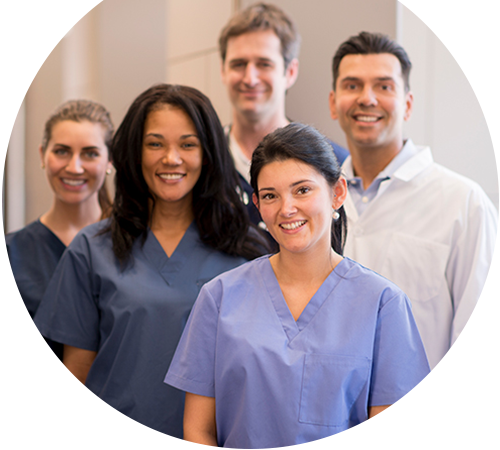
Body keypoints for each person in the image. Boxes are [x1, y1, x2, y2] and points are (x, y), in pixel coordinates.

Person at [165, 123, 437, 450]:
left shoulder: (383, 304)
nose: (287, 209)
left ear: (337, 193)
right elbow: (198, 433)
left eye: (302, 190)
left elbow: (386, 444)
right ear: (258, 204)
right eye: (270, 196)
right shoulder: (219, 297)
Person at [31, 84, 268, 450]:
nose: (171, 158)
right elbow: (75, 377)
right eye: (155, 143)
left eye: (187, 144)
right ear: (134, 152)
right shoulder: (93, 250)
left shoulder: (247, 254)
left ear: (208, 154)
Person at [329, 31, 500, 449]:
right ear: (333, 102)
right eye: (352, 86)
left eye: (383, 86)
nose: (366, 98)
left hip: (424, 440)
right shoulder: (315, 204)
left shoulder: (462, 203)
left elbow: (479, 359)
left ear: (406, 102)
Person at [0, 100, 114, 449]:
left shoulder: (133, 249)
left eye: (90, 153)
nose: (74, 166)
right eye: (62, 151)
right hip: (28, 435)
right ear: (42, 154)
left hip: (112, 434)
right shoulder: (11, 255)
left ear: (110, 161)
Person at [219, 2, 348, 231]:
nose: (250, 78)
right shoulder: (203, 160)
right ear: (223, 71)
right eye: (239, 64)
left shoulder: (335, 163)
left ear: (290, 72)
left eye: (264, 64)